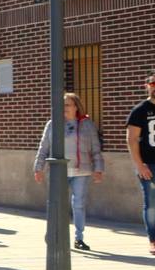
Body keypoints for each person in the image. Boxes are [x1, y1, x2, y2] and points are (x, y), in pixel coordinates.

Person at [34, 92, 104, 251]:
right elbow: (44, 148)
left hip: (82, 171)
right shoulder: (52, 124)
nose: (64, 108)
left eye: (67, 104)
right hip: (59, 171)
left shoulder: (87, 124)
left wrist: (98, 169)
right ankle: (54, 234)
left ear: (76, 107)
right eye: (62, 105)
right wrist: (38, 168)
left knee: (78, 204)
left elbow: (96, 149)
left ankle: (79, 238)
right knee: (56, 204)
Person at [128, 71, 155, 255]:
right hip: (150, 165)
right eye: (153, 83)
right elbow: (131, 139)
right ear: (147, 86)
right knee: (152, 203)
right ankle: (154, 239)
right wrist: (139, 165)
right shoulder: (140, 110)